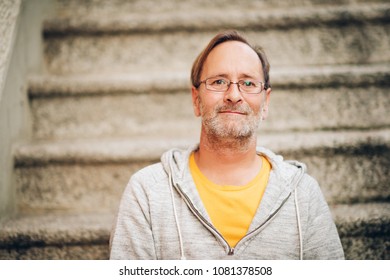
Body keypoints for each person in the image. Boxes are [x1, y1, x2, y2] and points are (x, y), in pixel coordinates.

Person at [109, 30, 345, 260]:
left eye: (248, 83)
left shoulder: (303, 193)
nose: (233, 95)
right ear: (196, 100)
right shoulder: (147, 192)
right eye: (219, 81)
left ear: (266, 102)